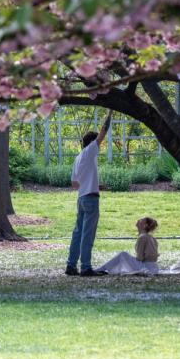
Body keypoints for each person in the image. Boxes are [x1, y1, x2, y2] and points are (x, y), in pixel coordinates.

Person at [65, 113, 111, 277]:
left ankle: (71, 265)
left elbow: (75, 184)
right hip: (91, 200)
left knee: (77, 233)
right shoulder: (90, 151)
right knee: (87, 235)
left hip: (81, 198)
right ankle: (85, 267)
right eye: (98, 144)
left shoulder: (78, 158)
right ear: (92, 143)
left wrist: (95, 185)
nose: (100, 146)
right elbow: (103, 132)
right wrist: (109, 113)